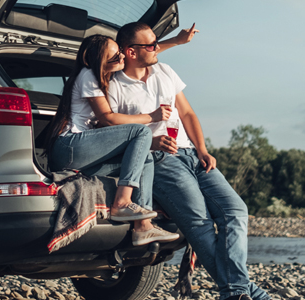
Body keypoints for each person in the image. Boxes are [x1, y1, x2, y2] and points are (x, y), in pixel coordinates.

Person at [107, 22, 271, 300]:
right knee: (200, 224)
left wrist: (203, 150)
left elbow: (188, 115)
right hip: (159, 160)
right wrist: (151, 141)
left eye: (156, 42)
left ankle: (237, 291)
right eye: (149, 45)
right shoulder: (115, 86)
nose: (156, 47)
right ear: (130, 52)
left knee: (236, 211)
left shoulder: (164, 71)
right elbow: (113, 132)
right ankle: (240, 293)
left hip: (193, 156)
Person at [44, 34, 179, 246]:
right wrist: (152, 117)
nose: (121, 59)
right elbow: (106, 118)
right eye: (115, 57)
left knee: (146, 158)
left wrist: (176, 41)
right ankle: (122, 202)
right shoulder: (87, 74)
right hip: (69, 146)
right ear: (95, 60)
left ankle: (143, 226)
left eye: (121, 54)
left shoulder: (103, 75)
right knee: (141, 132)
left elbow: (140, 55)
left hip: (83, 155)